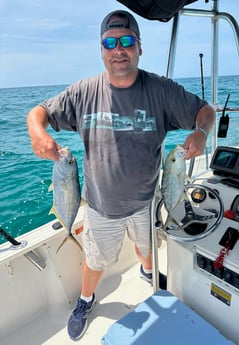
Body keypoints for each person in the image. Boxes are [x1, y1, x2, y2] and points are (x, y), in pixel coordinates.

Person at [27, 9, 216, 341]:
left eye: (127, 41)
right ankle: (86, 301)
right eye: (110, 42)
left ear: (139, 48)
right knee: (96, 261)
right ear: (101, 50)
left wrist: (201, 132)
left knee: (147, 248)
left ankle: (147, 272)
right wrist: (37, 133)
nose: (119, 50)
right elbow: (39, 112)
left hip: (147, 202)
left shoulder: (161, 91)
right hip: (101, 207)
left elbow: (206, 111)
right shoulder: (83, 92)